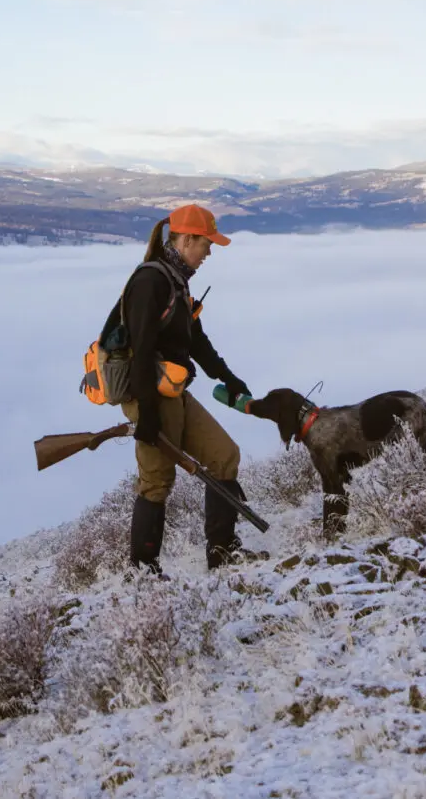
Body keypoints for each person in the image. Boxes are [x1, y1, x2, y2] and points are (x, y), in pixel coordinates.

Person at [119, 203, 265, 577]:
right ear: (186, 240)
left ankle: (222, 554)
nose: (209, 252)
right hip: (149, 394)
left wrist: (227, 377)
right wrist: (148, 413)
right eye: (206, 244)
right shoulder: (150, 282)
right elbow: (140, 351)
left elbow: (196, 341)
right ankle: (143, 574)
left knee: (223, 456)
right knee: (156, 483)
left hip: (173, 391)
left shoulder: (176, 281)